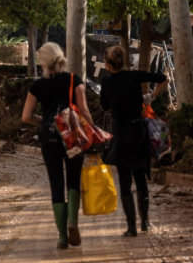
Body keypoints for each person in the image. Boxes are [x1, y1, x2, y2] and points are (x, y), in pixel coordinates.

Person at [22, 42, 94, 249]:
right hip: (72, 137)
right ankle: (73, 222)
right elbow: (85, 111)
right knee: (73, 179)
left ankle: (62, 237)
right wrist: (91, 131)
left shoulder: (37, 86)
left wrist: (44, 121)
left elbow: (26, 117)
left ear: (42, 61)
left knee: (56, 182)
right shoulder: (74, 80)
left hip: (50, 139)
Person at [100, 46, 168, 236]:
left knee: (124, 181)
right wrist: (150, 97)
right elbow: (163, 79)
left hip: (120, 133)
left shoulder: (106, 82)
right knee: (140, 179)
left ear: (107, 64)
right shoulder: (135, 76)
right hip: (138, 131)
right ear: (123, 61)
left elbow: (105, 106)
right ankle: (145, 223)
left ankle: (131, 228)